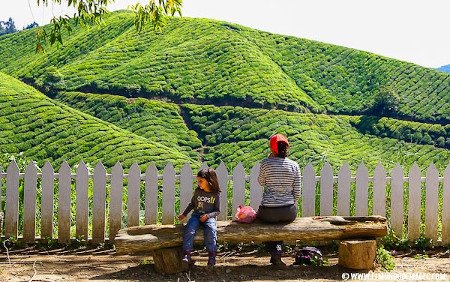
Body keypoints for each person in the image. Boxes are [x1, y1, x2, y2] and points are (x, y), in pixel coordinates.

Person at [257, 133, 301, 266]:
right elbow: (297, 192)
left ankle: (274, 249)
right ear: (287, 147)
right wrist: (288, 203)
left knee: (266, 221)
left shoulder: (265, 163)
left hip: (268, 211)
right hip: (288, 211)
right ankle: (277, 249)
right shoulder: (294, 165)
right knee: (281, 223)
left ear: (272, 148)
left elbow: (261, 182)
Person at [178, 168, 221, 266]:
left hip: (209, 217)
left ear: (209, 181)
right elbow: (192, 204)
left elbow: (217, 211)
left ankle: (212, 255)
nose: (198, 183)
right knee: (190, 229)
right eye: (197, 181)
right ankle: (186, 253)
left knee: (211, 230)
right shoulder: (198, 191)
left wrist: (207, 216)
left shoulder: (215, 194)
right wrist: (184, 214)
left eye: (201, 181)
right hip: (196, 215)